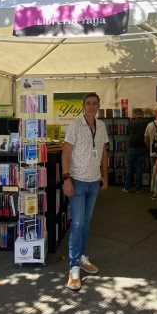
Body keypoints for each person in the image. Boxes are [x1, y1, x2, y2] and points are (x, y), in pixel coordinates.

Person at [62, 93, 109, 290]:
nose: (91, 106)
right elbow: (65, 153)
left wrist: (104, 175)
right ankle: (73, 267)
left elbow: (103, 152)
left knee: (87, 222)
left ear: (98, 106)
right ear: (83, 106)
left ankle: (81, 257)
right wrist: (66, 179)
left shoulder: (102, 126)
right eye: (88, 103)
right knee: (78, 223)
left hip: (93, 181)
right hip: (78, 181)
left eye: (94, 103)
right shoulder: (74, 126)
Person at [123, 109, 149, 193]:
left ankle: (127, 188)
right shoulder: (147, 123)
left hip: (131, 146)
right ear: (142, 114)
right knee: (139, 167)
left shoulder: (131, 122)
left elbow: (127, 133)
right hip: (142, 146)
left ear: (135, 114)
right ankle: (138, 188)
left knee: (129, 167)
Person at [144, 112, 157, 200]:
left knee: (154, 173)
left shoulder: (149, 125)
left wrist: (151, 148)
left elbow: (146, 139)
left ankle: (154, 192)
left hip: (153, 153)